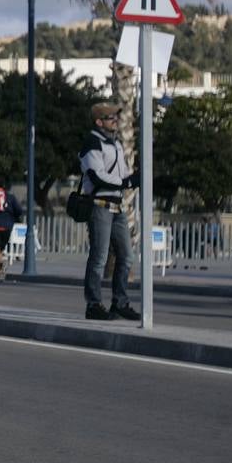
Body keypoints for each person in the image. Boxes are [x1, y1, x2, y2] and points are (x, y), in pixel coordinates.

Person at [80, 102, 142, 321]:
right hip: (100, 205)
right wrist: (125, 182)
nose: (115, 121)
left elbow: (122, 172)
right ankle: (93, 304)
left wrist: (133, 178)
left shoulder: (114, 143)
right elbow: (97, 175)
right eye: (110, 118)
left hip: (118, 206)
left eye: (116, 118)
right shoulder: (92, 142)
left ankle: (120, 302)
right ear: (99, 122)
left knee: (126, 256)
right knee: (99, 257)